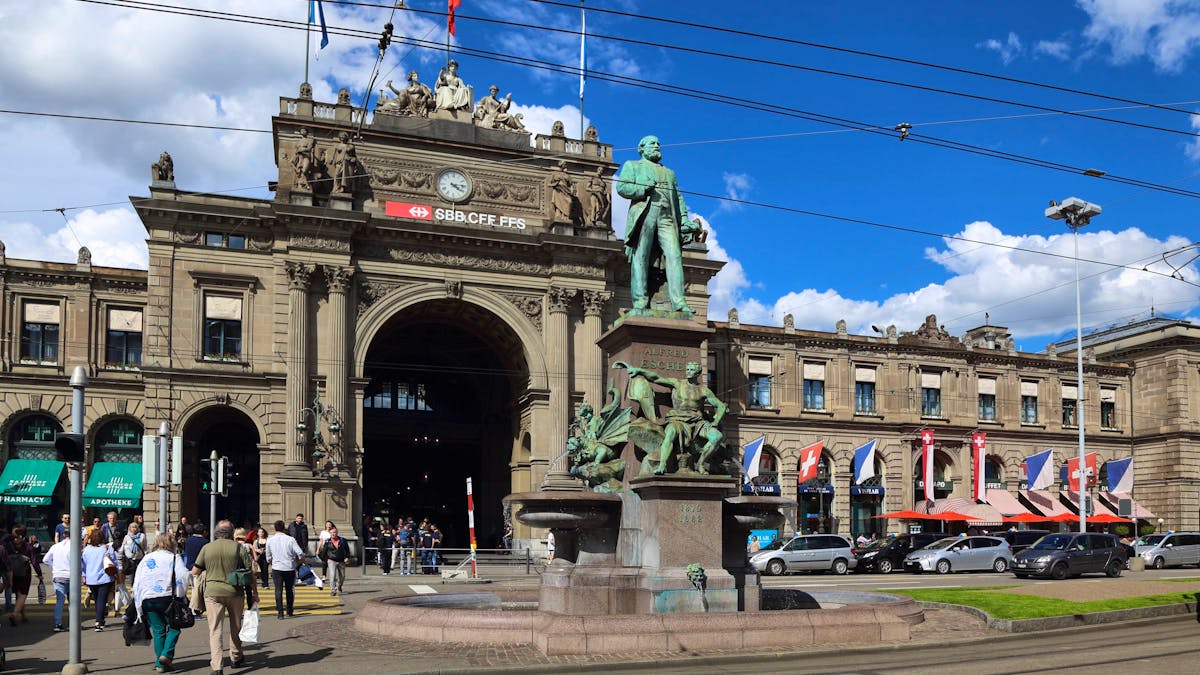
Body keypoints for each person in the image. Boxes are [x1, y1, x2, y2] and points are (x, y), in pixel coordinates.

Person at [615, 135, 701, 314]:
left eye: (658, 144)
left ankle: (679, 303)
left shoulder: (669, 173)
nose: (656, 146)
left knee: (675, 255)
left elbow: (678, 198)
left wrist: (684, 219)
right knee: (641, 256)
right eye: (652, 143)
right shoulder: (632, 165)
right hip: (646, 213)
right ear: (642, 148)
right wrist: (642, 189)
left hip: (667, 216)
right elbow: (622, 188)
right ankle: (640, 302)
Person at [612, 360, 727, 474]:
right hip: (678, 419)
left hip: (697, 422)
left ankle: (701, 463)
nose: (688, 372)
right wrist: (639, 370)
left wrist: (716, 421)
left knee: (717, 437)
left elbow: (720, 406)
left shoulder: (704, 390)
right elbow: (656, 378)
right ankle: (662, 465)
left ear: (698, 373)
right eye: (687, 369)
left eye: (692, 370)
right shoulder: (678, 383)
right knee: (670, 433)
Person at [192, 520, 258, 674]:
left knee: (215, 630)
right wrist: (255, 593)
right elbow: (251, 572)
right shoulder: (238, 547)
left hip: (213, 592)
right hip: (235, 592)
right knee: (236, 626)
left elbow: (195, 571)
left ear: (216, 533)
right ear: (231, 534)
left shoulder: (207, 547)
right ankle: (235, 657)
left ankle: (217, 666)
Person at [132, 532, 189, 673]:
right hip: (167, 597)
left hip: (148, 598)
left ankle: (160, 664)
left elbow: (137, 579)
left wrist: (138, 601)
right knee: (175, 627)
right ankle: (166, 655)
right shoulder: (175, 557)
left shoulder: (146, 558)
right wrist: (181, 594)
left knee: (158, 631)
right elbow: (183, 576)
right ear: (171, 543)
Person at [265, 520, 305, 619]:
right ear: (283, 528)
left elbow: (268, 556)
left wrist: (272, 562)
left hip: (277, 567)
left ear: (275, 528)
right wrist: (297, 562)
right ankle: (289, 611)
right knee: (289, 590)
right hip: (289, 567)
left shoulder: (270, 540)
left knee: (278, 590)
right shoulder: (290, 539)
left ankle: (280, 612)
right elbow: (300, 553)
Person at [82, 526, 119, 631]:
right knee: (102, 600)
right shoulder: (107, 548)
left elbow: (83, 565)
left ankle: (100, 619)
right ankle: (99, 621)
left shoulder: (86, 550)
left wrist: (84, 576)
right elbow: (115, 563)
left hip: (91, 578)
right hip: (105, 578)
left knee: (97, 599)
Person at [5, 526, 43, 626]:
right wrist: (39, 574)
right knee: (23, 594)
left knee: (18, 593)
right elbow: (34, 561)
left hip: (12, 572)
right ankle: (14, 614)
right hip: (24, 573)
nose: (15, 539)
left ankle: (23, 615)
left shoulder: (9, 546)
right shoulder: (27, 546)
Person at [42, 527, 74, 632]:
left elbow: (45, 559)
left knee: (60, 600)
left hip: (58, 575)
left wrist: (54, 566)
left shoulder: (55, 546)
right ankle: (73, 623)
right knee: (73, 601)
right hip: (71, 575)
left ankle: (58, 623)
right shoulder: (75, 546)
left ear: (64, 535)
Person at [318, 525, 349, 595]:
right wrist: (323, 559)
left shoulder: (342, 540)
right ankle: (333, 590)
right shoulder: (327, 542)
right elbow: (323, 552)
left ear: (337, 533)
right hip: (331, 560)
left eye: (334, 532)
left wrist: (347, 557)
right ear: (330, 533)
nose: (333, 534)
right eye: (331, 533)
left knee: (342, 576)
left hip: (341, 560)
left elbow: (347, 550)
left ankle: (339, 585)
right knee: (332, 575)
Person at [119, 520, 149, 584]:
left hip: (139, 557)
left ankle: (138, 584)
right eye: (132, 527)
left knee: (139, 573)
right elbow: (123, 546)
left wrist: (146, 554)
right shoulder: (127, 537)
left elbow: (145, 546)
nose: (134, 529)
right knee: (131, 574)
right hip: (130, 558)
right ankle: (131, 585)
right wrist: (120, 555)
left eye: (135, 527)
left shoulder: (142, 536)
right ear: (130, 528)